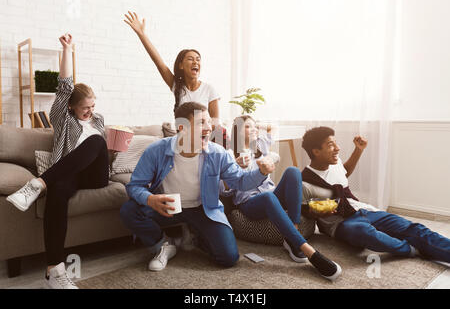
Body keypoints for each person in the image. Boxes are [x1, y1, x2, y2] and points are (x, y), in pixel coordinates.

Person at [7, 34, 115, 289]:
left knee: (98, 142)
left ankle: (37, 184)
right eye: (85, 108)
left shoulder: (98, 121)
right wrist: (66, 49)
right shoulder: (62, 119)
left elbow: (101, 151)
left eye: (92, 106)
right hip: (69, 174)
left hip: (96, 175)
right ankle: (54, 271)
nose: (90, 111)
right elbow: (65, 85)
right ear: (71, 107)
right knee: (58, 191)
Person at [119, 102, 276, 271]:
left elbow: (240, 182)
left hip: (203, 209)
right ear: (182, 127)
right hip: (168, 207)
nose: (209, 128)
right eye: (202, 123)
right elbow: (135, 186)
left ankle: (196, 237)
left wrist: (261, 172)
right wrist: (150, 199)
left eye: (209, 122)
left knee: (228, 257)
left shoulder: (217, 153)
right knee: (129, 210)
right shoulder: (156, 150)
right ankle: (163, 244)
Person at [301, 126, 450, 264]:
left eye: (336, 143)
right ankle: (410, 249)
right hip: (341, 223)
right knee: (363, 232)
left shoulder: (335, 163)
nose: (337, 148)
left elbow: (343, 172)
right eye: (330, 145)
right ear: (316, 151)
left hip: (365, 210)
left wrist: (358, 150)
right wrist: (318, 211)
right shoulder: (305, 179)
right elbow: (303, 210)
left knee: (415, 229)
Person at [220, 116, 342, 281]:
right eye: (248, 127)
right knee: (268, 197)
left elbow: (273, 127)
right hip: (249, 202)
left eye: (255, 126)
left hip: (271, 192)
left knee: (293, 171)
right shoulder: (228, 154)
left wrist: (256, 125)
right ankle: (306, 249)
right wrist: (234, 165)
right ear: (237, 131)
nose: (255, 129)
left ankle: (293, 232)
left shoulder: (260, 146)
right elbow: (223, 190)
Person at [123, 11, 220, 119]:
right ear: (181, 65)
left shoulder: (209, 89)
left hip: (202, 136)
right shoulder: (177, 86)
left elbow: (215, 124)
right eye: (190, 59)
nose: (195, 62)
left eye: (198, 59)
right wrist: (141, 34)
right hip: (182, 135)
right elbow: (159, 63)